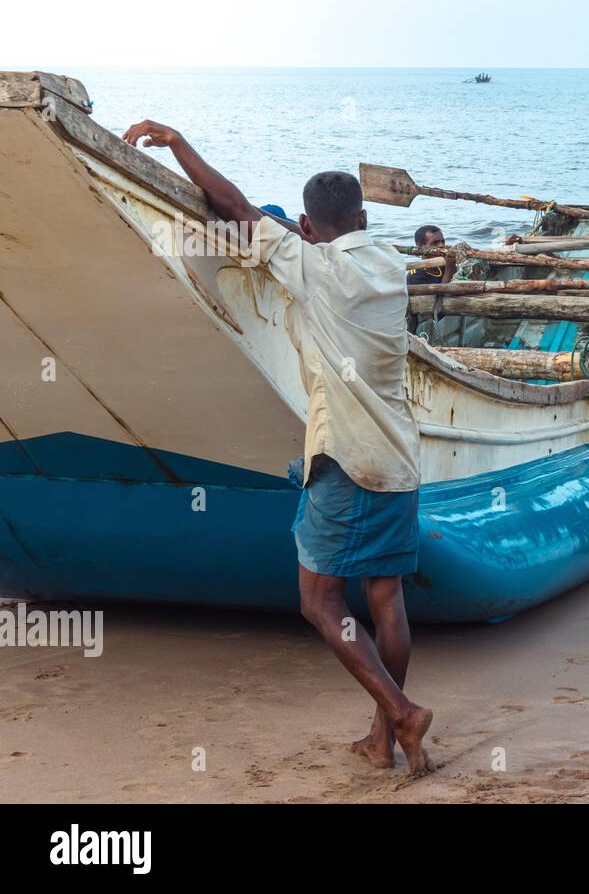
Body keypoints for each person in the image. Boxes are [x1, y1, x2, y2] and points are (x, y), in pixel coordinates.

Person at [122, 119, 433, 774]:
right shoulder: (389, 263)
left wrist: (177, 142)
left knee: (318, 602)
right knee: (385, 598)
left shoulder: (310, 268)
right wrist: (300, 234)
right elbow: (307, 241)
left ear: (306, 225)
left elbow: (233, 207)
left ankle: (402, 713)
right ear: (364, 217)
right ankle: (384, 736)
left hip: (346, 458)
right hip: (400, 459)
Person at [407, 224, 454, 335]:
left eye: (443, 241)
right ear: (420, 246)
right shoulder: (415, 275)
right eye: (435, 243)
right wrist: (450, 269)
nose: (442, 245)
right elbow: (435, 307)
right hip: (427, 329)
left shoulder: (443, 264)